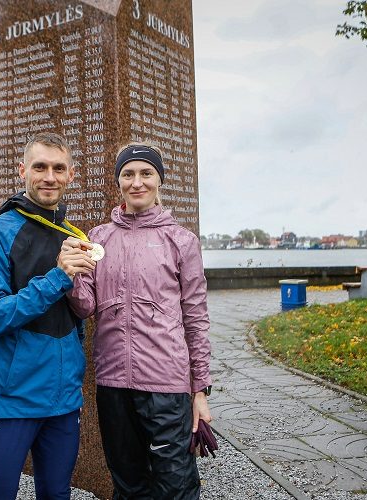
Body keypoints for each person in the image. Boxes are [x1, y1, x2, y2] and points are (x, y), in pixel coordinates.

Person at [62, 142, 212, 499]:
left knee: (176, 484)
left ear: (159, 179)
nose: (137, 182)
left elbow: (196, 317)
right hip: (114, 382)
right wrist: (69, 273)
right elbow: (85, 307)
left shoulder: (181, 241)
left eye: (146, 173)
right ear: (119, 182)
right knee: (128, 483)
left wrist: (201, 390)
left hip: (166, 383)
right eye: (128, 174)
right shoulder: (98, 238)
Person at [0, 132, 96, 500]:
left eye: (59, 168)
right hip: (11, 398)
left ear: (71, 176)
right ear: (23, 170)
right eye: (40, 167)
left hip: (64, 398)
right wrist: (57, 277)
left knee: (57, 496)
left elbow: (84, 311)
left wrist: (79, 286)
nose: (49, 176)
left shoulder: (74, 236)